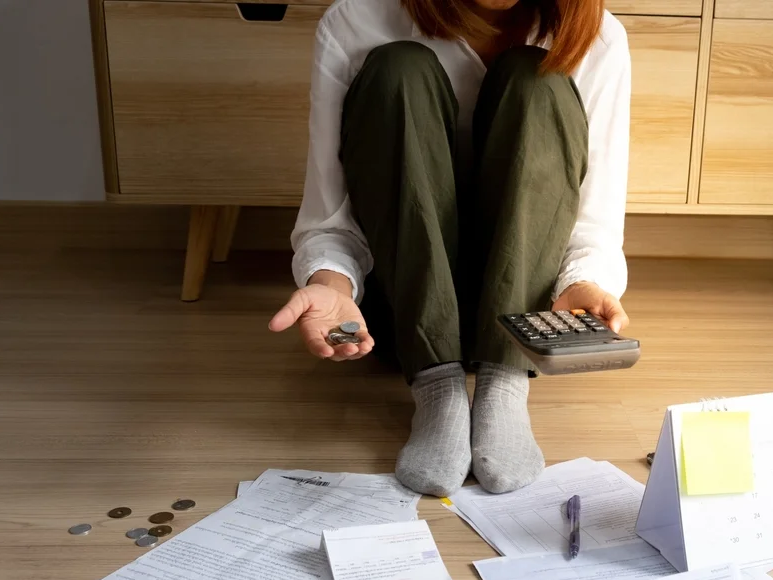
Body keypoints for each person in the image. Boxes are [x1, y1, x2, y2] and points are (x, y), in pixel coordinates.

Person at [269, 0, 632, 498]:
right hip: (405, 293)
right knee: (399, 67)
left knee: (537, 76)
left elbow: (593, 209)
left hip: (523, 303)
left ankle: (503, 381)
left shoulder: (598, 36)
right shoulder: (356, 21)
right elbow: (331, 211)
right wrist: (330, 283)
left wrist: (582, 281)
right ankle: (437, 386)